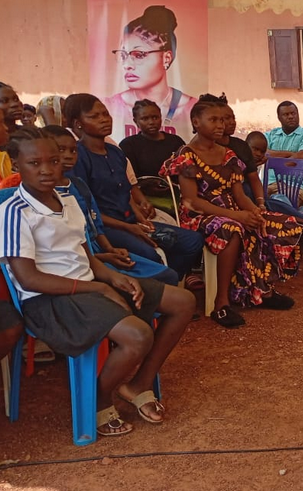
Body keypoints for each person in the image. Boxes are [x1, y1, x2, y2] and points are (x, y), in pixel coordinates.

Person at [0, 127, 194, 436]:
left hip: (87, 285)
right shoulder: (13, 211)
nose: (46, 170)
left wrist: (115, 277)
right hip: (49, 301)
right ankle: (100, 400)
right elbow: (29, 278)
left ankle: (139, 384)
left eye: (53, 161)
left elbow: (85, 256)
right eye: (34, 163)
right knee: (138, 335)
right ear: (16, 164)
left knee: (183, 301)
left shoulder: (68, 200)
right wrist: (99, 287)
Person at [161, 99, 303, 328]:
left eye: (221, 120)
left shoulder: (229, 155)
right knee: (232, 229)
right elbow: (192, 202)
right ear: (196, 122)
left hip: (232, 211)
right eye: (213, 120)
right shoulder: (187, 156)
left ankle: (262, 289)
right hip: (199, 216)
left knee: (286, 224)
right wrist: (238, 216)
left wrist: (254, 210)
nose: (220, 125)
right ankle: (221, 303)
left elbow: (240, 195)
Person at [66, 93, 203, 282]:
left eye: (105, 114)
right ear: (78, 124)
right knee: (151, 254)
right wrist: (130, 228)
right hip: (105, 228)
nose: (104, 119)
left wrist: (141, 219)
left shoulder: (115, 152)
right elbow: (87, 211)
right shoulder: (78, 157)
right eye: (94, 116)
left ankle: (169, 283)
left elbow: (126, 192)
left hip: (129, 220)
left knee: (193, 241)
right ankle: (162, 284)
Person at [43, 125, 179, 287]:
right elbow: (63, 247)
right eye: (61, 150)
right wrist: (102, 257)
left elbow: (94, 223)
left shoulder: (78, 185)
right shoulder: (46, 194)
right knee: (151, 277)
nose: (68, 156)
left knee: (168, 275)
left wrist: (109, 249)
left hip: (96, 250)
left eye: (73, 151)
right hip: (79, 262)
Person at [103, 5, 198, 141]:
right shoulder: (109, 107)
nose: (127, 65)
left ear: (166, 58)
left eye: (139, 54)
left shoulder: (193, 108)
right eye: (123, 55)